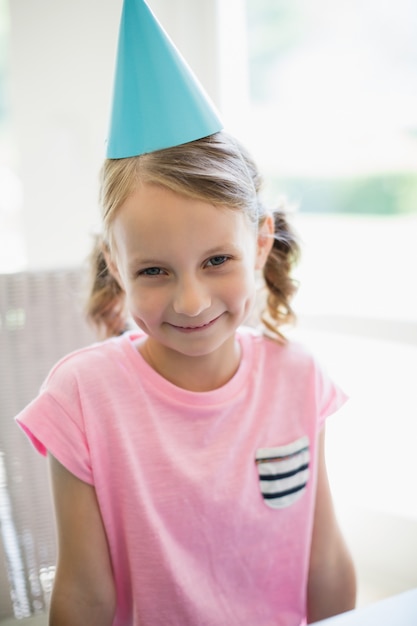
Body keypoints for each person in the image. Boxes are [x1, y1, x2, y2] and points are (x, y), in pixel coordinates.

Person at [16, 2, 356, 625]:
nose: (191, 301)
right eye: (153, 270)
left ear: (259, 243)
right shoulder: (82, 398)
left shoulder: (299, 377)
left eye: (217, 259)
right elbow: (85, 595)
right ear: (115, 267)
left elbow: (325, 562)